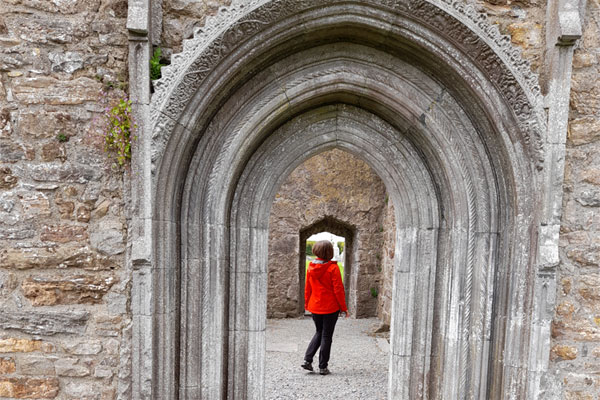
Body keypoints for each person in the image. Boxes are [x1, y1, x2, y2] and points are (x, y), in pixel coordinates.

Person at [301, 240, 349, 375]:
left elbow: (307, 289)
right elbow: (338, 290)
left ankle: (307, 360)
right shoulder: (333, 268)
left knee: (319, 332)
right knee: (326, 335)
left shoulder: (310, 268)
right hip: (330, 308)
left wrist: (306, 304)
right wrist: (343, 308)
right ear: (329, 252)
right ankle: (323, 367)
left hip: (315, 306)